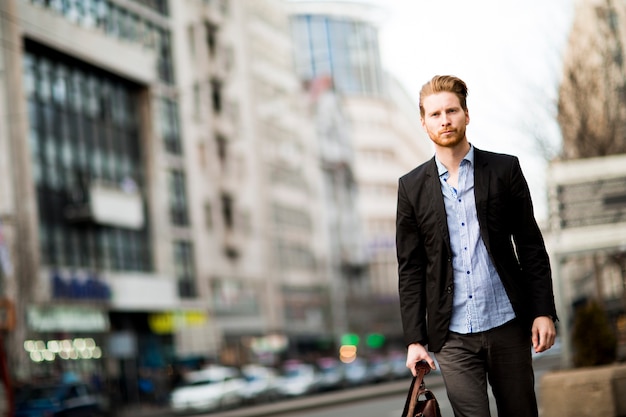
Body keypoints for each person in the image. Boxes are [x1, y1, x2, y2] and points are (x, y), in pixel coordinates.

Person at [395, 75, 558, 417]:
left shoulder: (504, 170)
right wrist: (415, 339)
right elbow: (410, 268)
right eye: (435, 114)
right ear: (424, 123)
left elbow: (530, 244)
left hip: (507, 323)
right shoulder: (411, 188)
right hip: (451, 335)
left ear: (466, 115)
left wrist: (543, 310)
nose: (445, 120)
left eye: (451, 111)